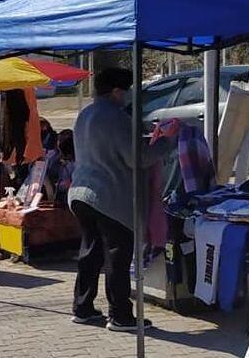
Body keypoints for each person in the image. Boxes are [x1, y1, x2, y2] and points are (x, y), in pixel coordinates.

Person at [69, 67, 174, 331]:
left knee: (90, 252)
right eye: (126, 90)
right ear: (117, 91)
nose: (128, 96)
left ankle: (82, 307)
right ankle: (120, 315)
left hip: (80, 192)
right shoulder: (115, 117)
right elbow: (136, 158)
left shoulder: (85, 114)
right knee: (117, 255)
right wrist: (165, 143)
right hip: (109, 197)